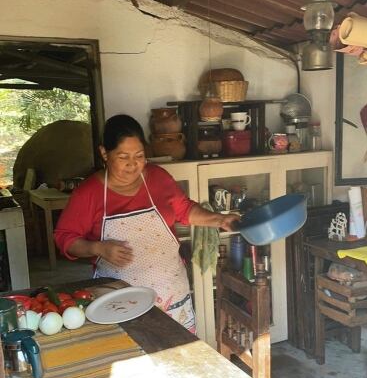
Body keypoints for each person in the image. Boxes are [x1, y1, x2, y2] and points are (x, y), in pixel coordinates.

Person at [54, 114, 238, 333]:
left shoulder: (158, 178)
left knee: (178, 356)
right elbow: (65, 237)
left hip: (171, 290)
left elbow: (184, 209)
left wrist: (220, 219)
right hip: (119, 299)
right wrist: (98, 248)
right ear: (104, 153)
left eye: (139, 156)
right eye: (123, 157)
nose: (133, 165)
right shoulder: (88, 193)